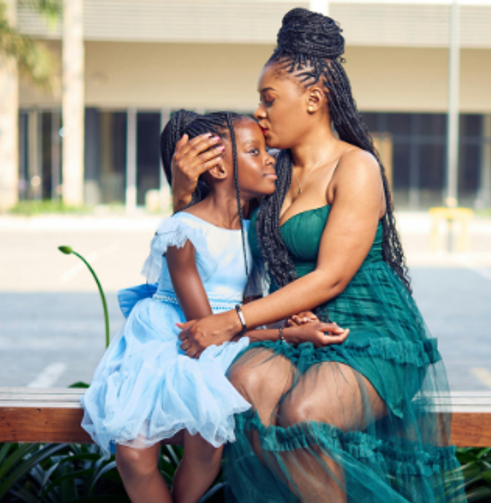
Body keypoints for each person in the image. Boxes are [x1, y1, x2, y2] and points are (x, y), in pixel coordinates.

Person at [172, 9, 466, 503]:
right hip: (299, 330)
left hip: (371, 332)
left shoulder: (356, 167)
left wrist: (232, 322)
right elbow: (209, 237)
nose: (259, 113)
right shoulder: (273, 174)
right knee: (242, 387)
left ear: (313, 99)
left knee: (305, 413)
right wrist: (183, 192)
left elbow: (330, 277)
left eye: (269, 99)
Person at [81, 110, 347, 503]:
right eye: (256, 152)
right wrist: (291, 334)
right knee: (134, 454)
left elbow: (244, 302)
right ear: (218, 169)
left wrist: (289, 313)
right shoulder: (183, 229)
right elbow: (204, 328)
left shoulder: (252, 231)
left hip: (226, 335)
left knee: (207, 444)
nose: (271, 158)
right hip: (175, 339)